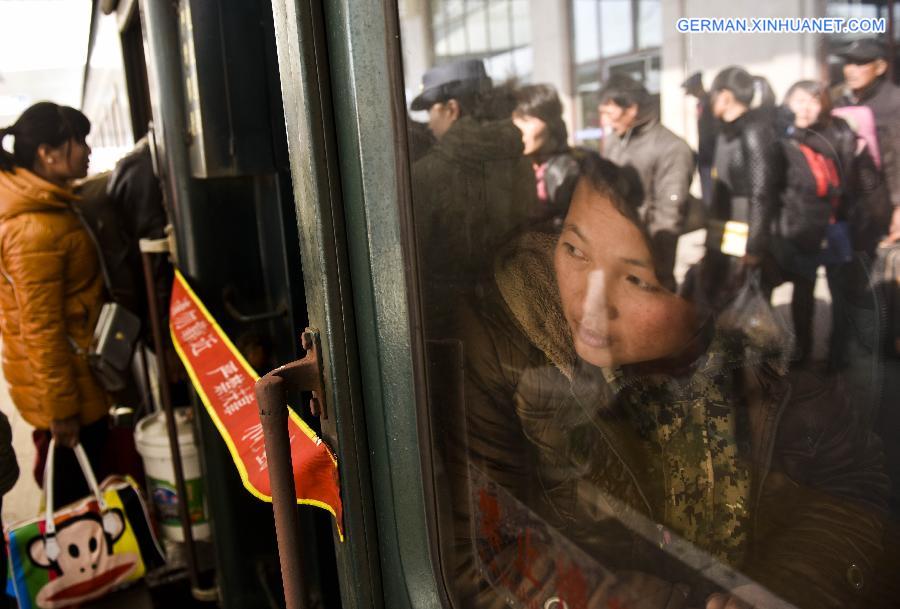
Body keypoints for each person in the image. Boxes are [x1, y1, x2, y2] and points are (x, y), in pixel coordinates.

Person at [449, 151, 889, 609]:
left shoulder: (767, 362)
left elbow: (851, 490)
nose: (590, 303)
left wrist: (783, 590)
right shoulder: (507, 341)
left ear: (708, 288)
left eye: (638, 280)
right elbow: (480, 551)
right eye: (575, 250)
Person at [0, 102, 112, 507]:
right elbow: (41, 329)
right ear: (48, 153)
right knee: (74, 508)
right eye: (78, 141)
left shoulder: (50, 206)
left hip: (77, 378)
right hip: (69, 397)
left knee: (79, 495)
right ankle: (87, 569)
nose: (87, 150)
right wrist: (63, 412)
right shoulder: (33, 229)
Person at [410, 59, 536, 340]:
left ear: (451, 108)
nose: (429, 123)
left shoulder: (427, 175)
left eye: (431, 110)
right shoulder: (519, 160)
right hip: (517, 315)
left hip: (449, 327)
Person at [773, 80, 879, 367]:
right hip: (801, 225)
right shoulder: (783, 136)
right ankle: (802, 350)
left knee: (839, 292)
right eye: (798, 100)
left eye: (813, 100)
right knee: (803, 291)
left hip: (836, 225)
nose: (805, 107)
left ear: (824, 105)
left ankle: (837, 354)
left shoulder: (840, 132)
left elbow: (863, 179)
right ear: (787, 102)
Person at [684, 66, 781, 313]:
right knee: (718, 294)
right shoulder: (724, 131)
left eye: (714, 95)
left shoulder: (755, 130)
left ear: (725, 96)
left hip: (745, 226)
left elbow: (762, 193)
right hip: (723, 224)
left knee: (742, 300)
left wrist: (754, 247)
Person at [598, 74, 695, 292]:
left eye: (609, 113)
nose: (604, 121)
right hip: (614, 249)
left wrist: (654, 265)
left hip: (649, 253)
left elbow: (670, 212)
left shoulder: (672, 148)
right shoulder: (614, 141)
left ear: (631, 109)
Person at [835, 38, 900, 245]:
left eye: (860, 63)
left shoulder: (894, 102)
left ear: (880, 67)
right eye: (848, 63)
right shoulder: (837, 100)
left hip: (884, 207)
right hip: (845, 206)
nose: (851, 70)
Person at [511, 83, 581, 225]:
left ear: (551, 123)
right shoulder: (520, 166)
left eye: (526, 121)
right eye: (515, 121)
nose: (518, 130)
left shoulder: (568, 173)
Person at [683, 71, 718, 209]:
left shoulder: (709, 102)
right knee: (706, 189)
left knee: (712, 191)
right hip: (705, 154)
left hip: (712, 155)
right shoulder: (701, 103)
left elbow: (712, 132)